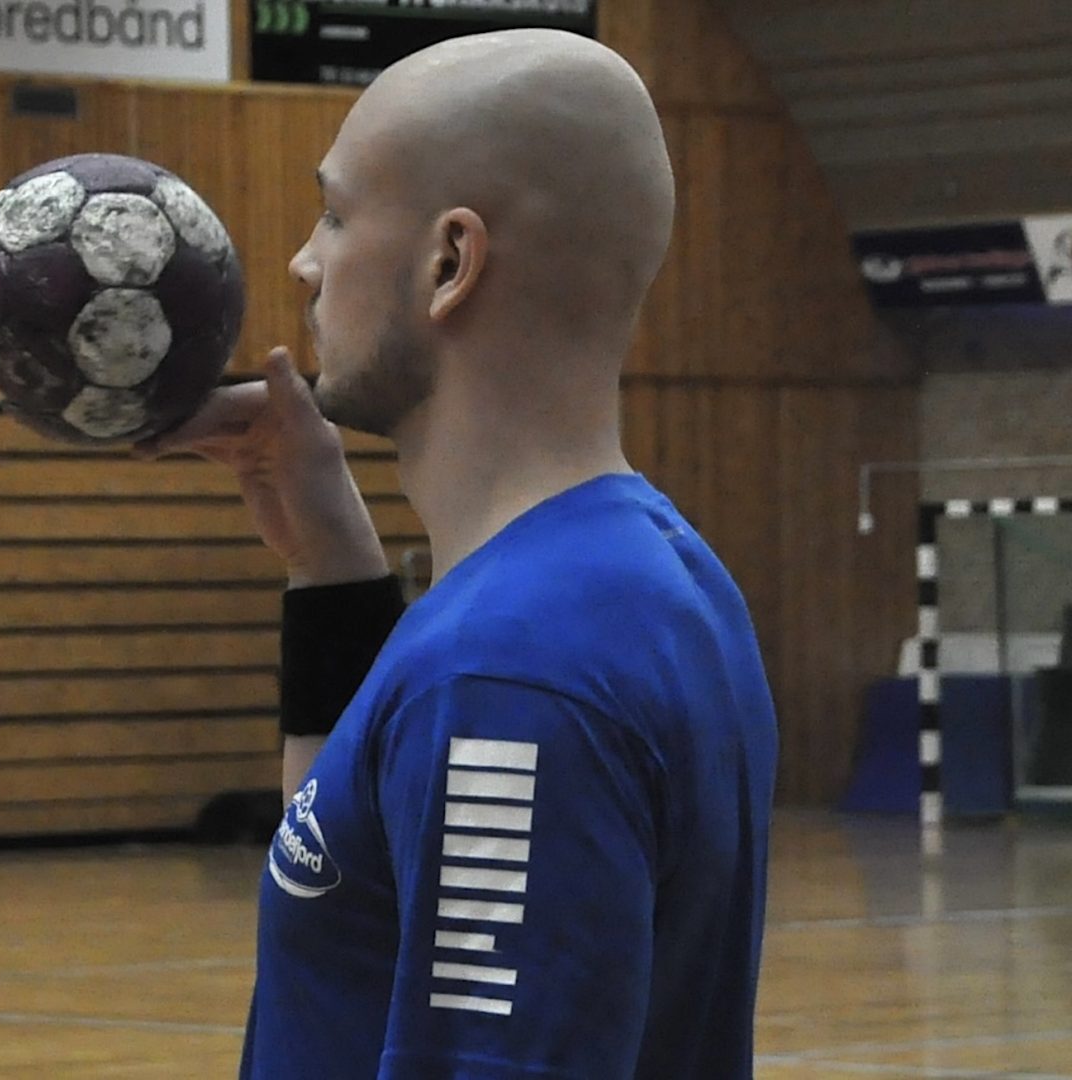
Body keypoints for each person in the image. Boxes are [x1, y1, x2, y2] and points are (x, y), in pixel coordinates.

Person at [144, 29, 778, 1079]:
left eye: (337, 214)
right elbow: (354, 874)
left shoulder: (510, 667)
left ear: (449, 261)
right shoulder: (662, 579)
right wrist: (331, 567)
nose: (304, 260)